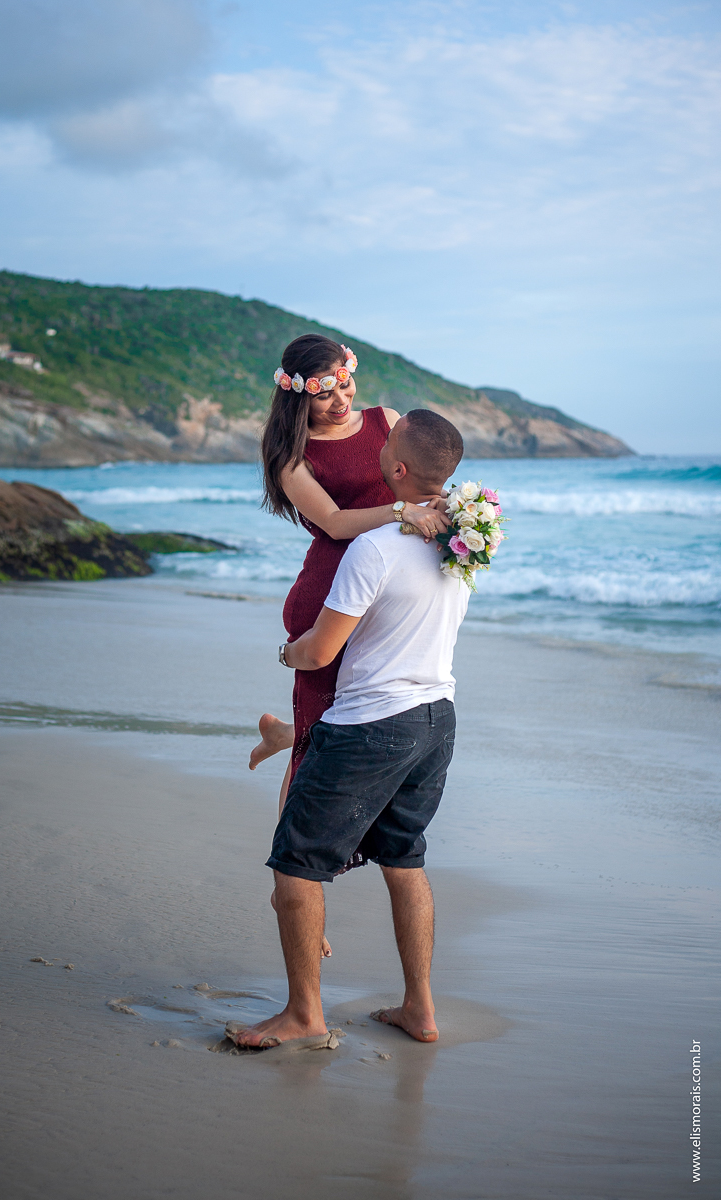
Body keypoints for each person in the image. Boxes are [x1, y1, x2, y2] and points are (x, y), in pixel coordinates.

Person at [232, 409, 467, 1049]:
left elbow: (318, 654)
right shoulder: (463, 542)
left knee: (297, 864)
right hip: (436, 719)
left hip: (371, 725)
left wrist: (288, 653)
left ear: (395, 469)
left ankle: (304, 1015)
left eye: (384, 445)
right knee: (404, 857)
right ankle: (420, 1009)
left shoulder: (374, 547)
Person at [250, 334, 450, 949]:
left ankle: (283, 735)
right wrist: (403, 515)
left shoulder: (386, 422)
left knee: (362, 712)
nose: (340, 399)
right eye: (324, 391)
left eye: (344, 382)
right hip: (331, 593)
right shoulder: (291, 457)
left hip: (386, 592)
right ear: (296, 396)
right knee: (320, 732)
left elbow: (422, 485)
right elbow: (335, 523)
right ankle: (295, 883)